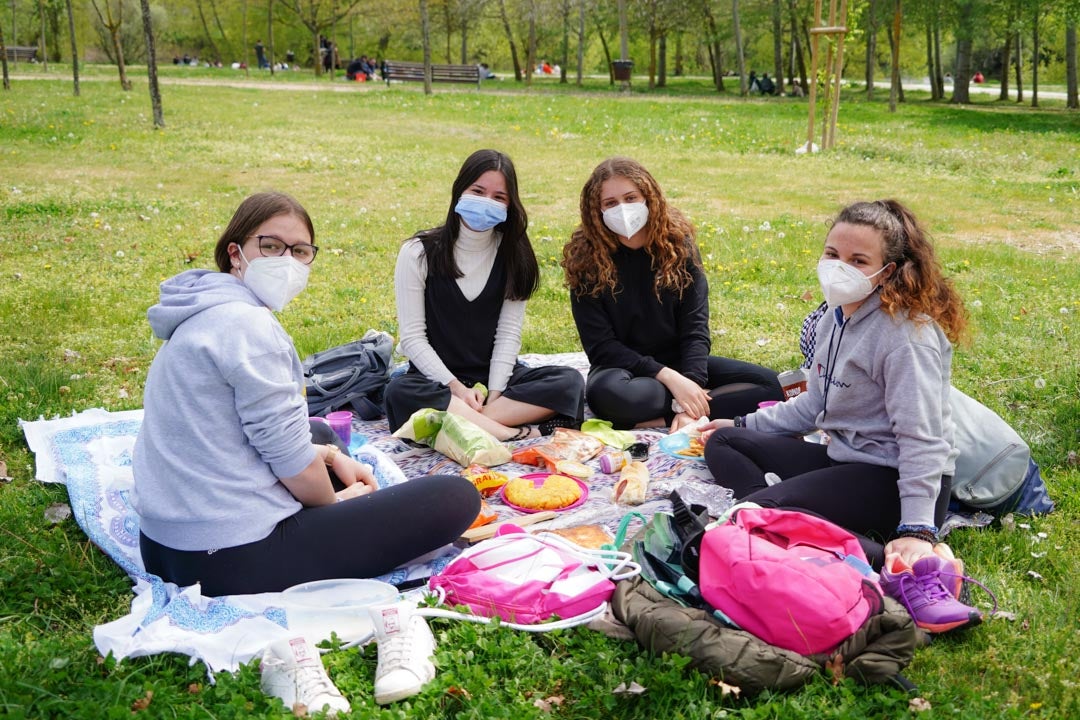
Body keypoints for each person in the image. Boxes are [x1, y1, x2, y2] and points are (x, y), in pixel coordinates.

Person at [132, 191, 481, 599]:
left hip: (161, 544)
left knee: (317, 431)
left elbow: (259, 434)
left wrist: (330, 456)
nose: (287, 261)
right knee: (454, 497)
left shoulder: (203, 310)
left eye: (299, 251)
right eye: (271, 246)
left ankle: (329, 483)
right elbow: (292, 465)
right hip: (223, 559)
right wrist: (338, 504)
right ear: (235, 252)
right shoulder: (252, 330)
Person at [698, 199, 983, 634]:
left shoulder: (908, 338)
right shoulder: (835, 319)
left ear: (887, 271)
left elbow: (923, 440)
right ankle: (784, 516)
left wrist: (919, 529)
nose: (839, 267)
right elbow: (814, 407)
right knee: (723, 444)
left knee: (751, 518)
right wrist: (740, 426)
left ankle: (896, 563)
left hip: (893, 478)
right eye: (833, 254)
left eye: (858, 260)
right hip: (846, 459)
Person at [561, 157, 783, 432]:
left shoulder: (679, 245)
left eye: (631, 198)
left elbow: (695, 327)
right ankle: (695, 405)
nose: (623, 209)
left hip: (680, 360)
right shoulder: (585, 259)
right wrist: (671, 380)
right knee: (615, 397)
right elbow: (601, 347)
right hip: (623, 370)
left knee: (777, 386)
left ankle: (673, 417)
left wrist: (692, 382)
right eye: (610, 203)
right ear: (596, 210)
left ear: (649, 198)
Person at [384, 149, 586, 442]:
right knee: (399, 392)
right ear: (459, 191)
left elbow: (508, 334)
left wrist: (495, 394)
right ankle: (510, 433)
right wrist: (456, 388)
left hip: (494, 380)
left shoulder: (514, 254)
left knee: (569, 382)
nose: (486, 202)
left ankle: (462, 424)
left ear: (509, 204)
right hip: (437, 381)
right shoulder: (417, 253)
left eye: (498, 197)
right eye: (477, 191)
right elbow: (413, 339)